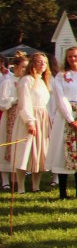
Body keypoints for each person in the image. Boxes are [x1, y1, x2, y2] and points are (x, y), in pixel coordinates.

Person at [46, 46, 77, 200]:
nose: (73, 59)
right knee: (63, 150)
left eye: (76, 56)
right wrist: (71, 119)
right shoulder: (61, 76)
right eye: (70, 57)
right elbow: (60, 98)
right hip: (67, 116)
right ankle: (63, 191)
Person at [12, 53, 51, 194]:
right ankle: (21, 187)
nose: (42, 65)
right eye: (39, 62)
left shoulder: (42, 81)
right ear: (33, 64)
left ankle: (36, 186)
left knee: (39, 152)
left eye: (45, 63)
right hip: (29, 118)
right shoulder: (27, 80)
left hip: (42, 117)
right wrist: (29, 121)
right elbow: (24, 102)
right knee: (24, 152)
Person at [0, 54, 28, 191]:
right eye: (22, 67)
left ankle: (18, 177)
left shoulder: (27, 81)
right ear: (16, 67)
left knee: (20, 146)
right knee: (7, 144)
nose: (24, 70)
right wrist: (14, 100)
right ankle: (5, 179)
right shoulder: (8, 82)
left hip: (22, 116)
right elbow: (3, 102)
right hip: (10, 115)